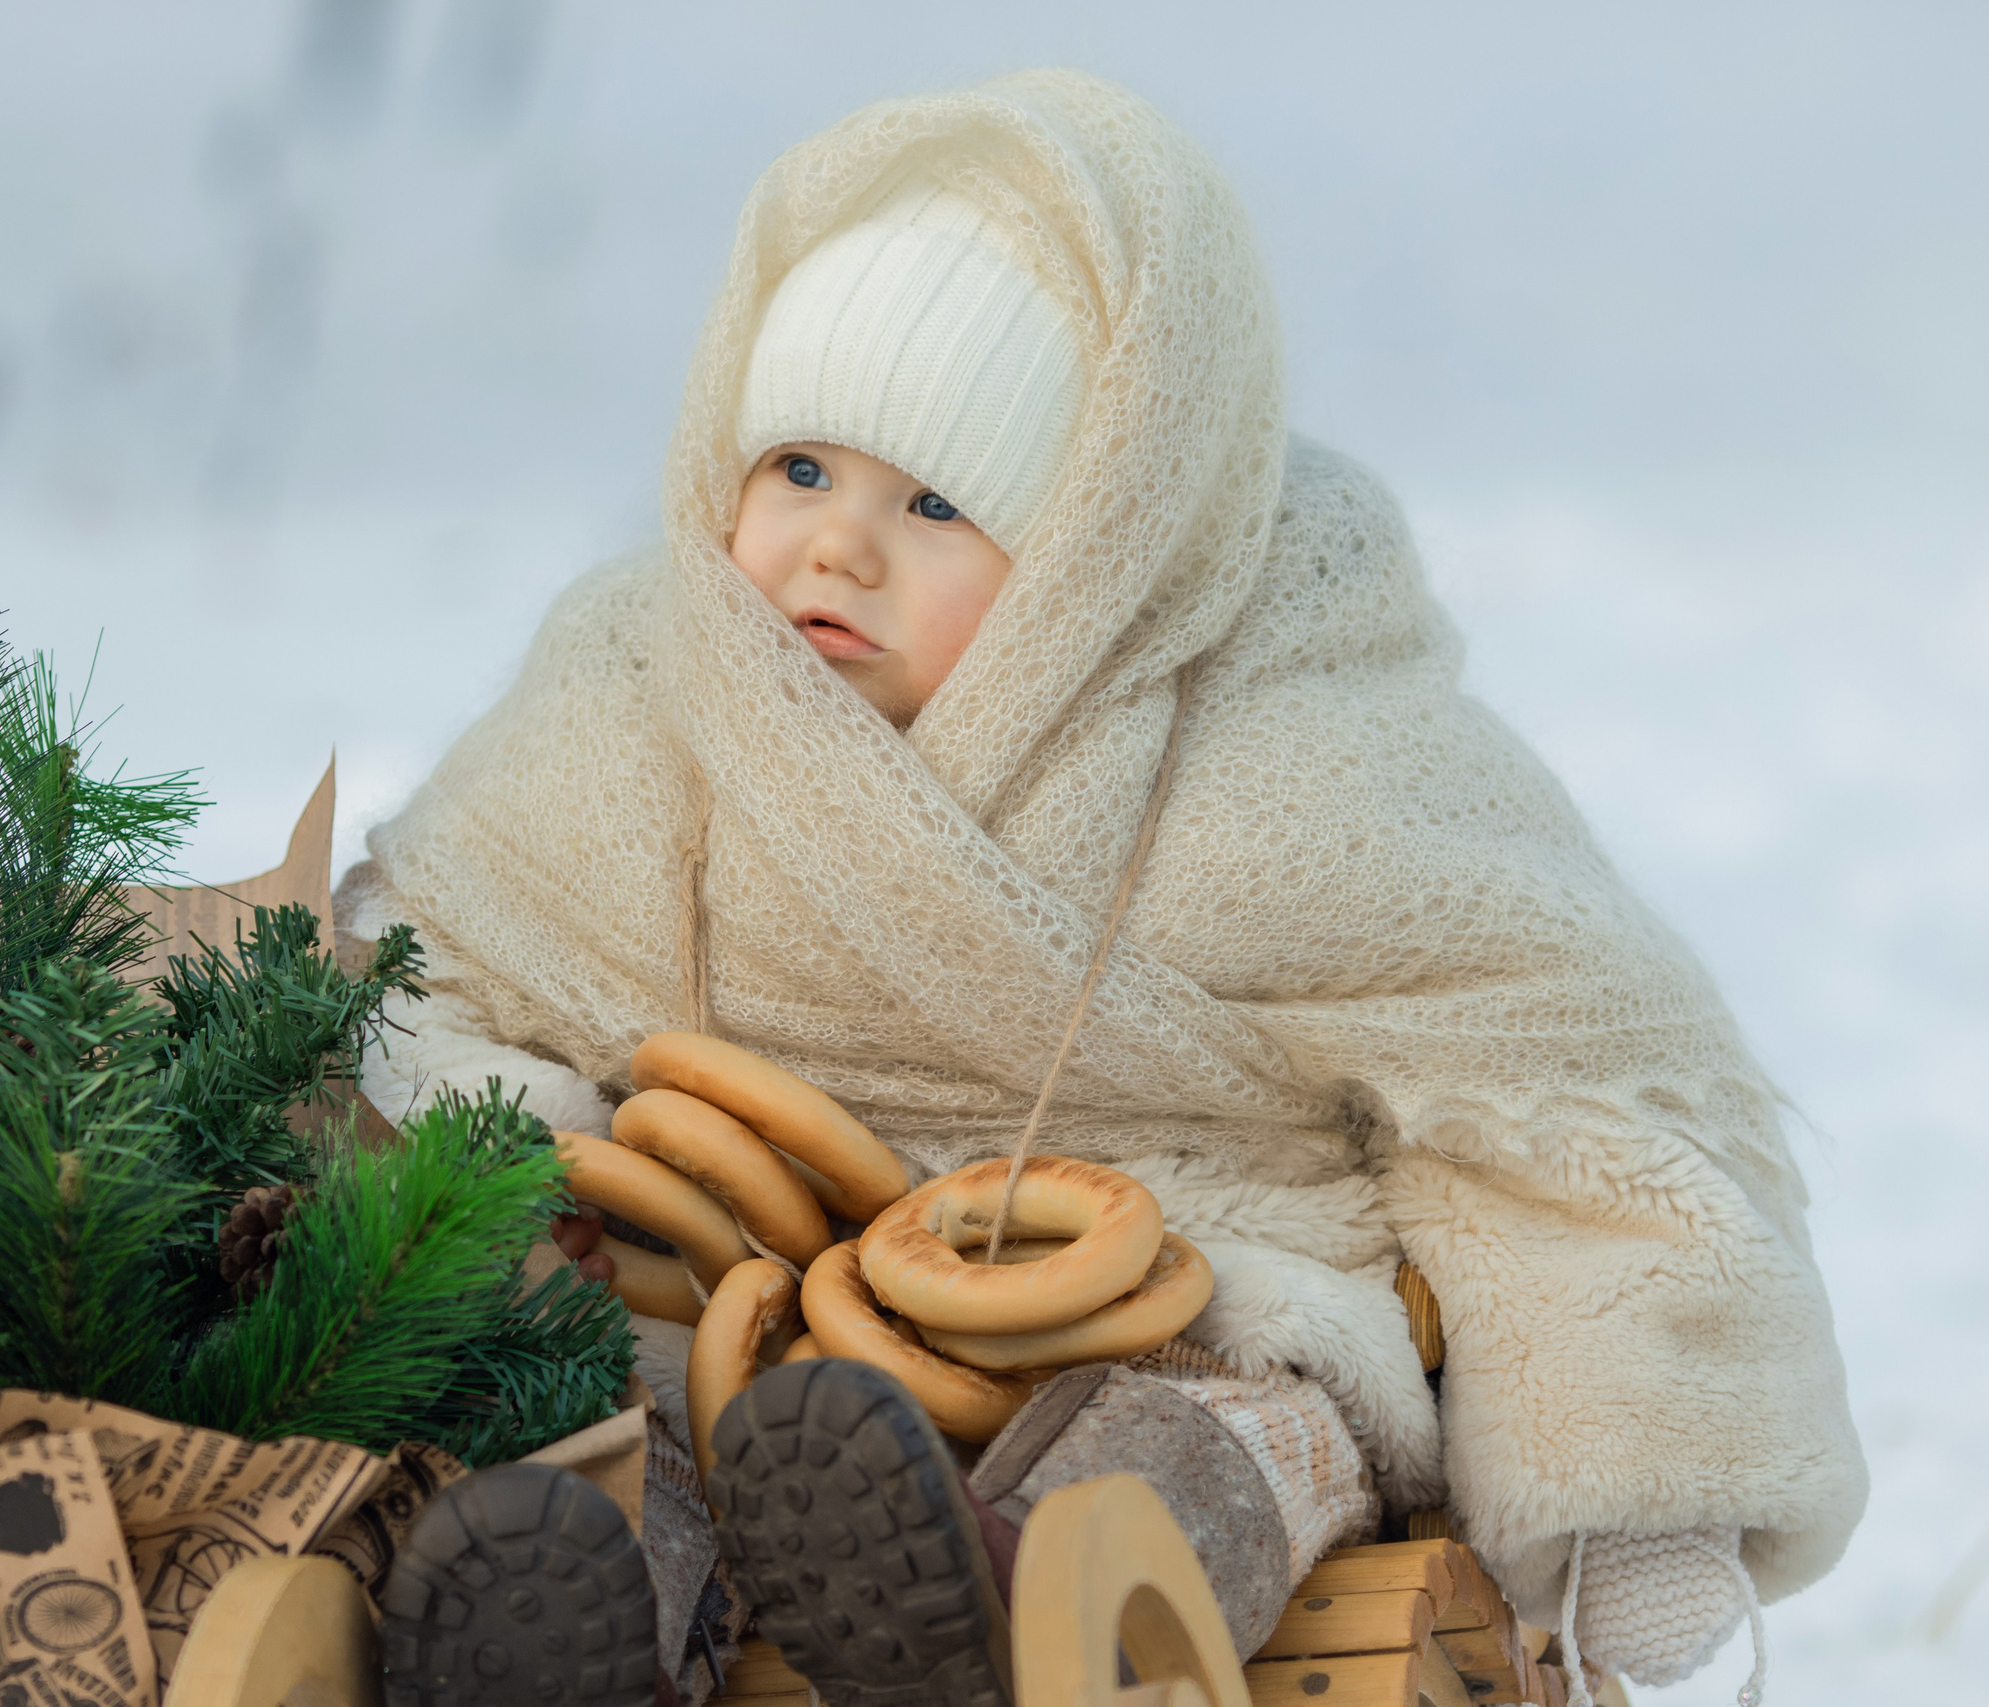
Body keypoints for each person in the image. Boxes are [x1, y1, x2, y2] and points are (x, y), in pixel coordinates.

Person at [346, 70, 1862, 1707]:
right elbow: (432, 962)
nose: (836, 548)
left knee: (1250, 1426)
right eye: (797, 470)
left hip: (1193, 1298)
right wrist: (510, 1166)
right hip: (739, 1318)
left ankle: (1021, 1589)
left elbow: (1550, 1086)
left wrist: (1643, 1472)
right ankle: (578, 1624)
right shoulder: (641, 695)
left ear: (1097, 550)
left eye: (933, 504)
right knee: (624, 1422)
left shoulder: (1298, 755)